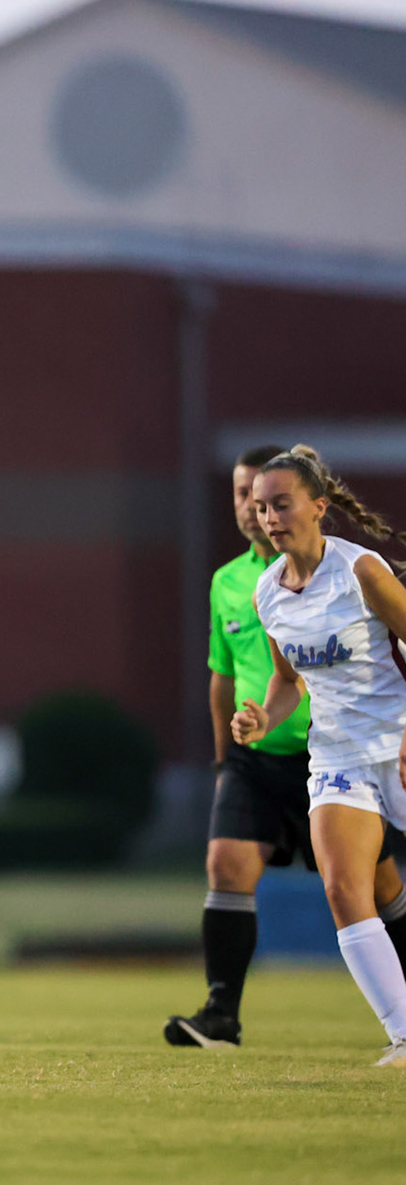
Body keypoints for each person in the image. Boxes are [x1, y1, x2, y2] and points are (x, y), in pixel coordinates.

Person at [166, 447, 406, 1048]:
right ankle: (405, 1036)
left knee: (384, 890)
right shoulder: (265, 592)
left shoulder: (361, 571)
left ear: (319, 506)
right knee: (343, 890)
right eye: (259, 506)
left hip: (396, 743)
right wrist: (260, 719)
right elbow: (287, 682)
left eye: (281, 504)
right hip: (338, 758)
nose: (268, 517)